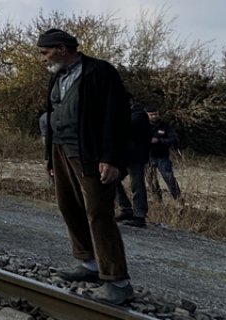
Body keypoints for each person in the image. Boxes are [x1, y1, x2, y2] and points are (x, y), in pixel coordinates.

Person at [38, 28, 134, 305]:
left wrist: (112, 158)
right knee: (68, 205)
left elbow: (117, 117)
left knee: (98, 213)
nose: (43, 58)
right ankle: (89, 263)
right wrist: (49, 157)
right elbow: (52, 116)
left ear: (62, 49)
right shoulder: (58, 76)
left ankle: (118, 281)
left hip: (90, 154)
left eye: (45, 52)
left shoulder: (99, 72)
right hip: (61, 151)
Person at [114, 99, 152, 227]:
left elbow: (128, 128)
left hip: (136, 156)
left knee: (137, 185)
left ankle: (139, 215)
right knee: (113, 180)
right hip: (126, 156)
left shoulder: (139, 114)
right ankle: (126, 209)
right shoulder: (128, 114)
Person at [145, 106, 183, 201]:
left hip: (162, 157)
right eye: (151, 115)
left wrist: (158, 140)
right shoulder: (143, 126)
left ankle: (178, 199)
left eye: (156, 114)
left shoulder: (165, 126)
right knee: (151, 180)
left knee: (169, 177)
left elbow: (174, 140)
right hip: (147, 157)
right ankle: (157, 200)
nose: (154, 116)